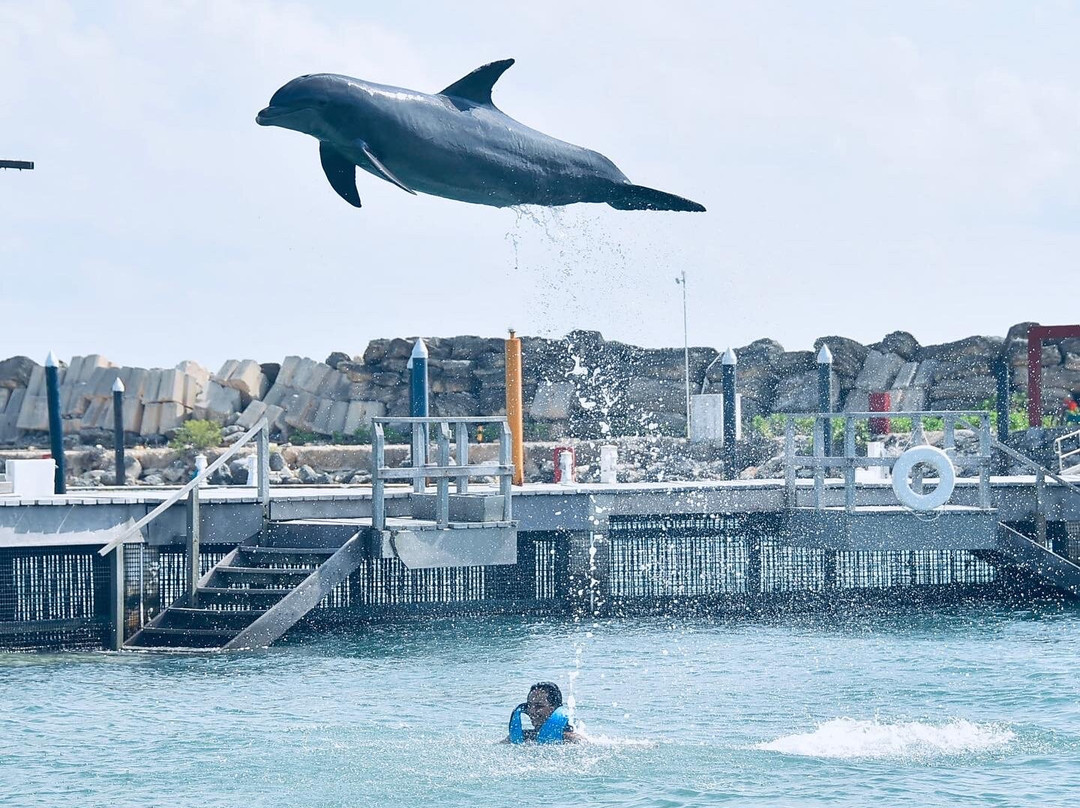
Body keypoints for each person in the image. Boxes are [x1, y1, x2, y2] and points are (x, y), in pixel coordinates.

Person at [505, 682, 583, 744]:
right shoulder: (524, 737)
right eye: (529, 705)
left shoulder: (573, 740)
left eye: (539, 706)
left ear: (554, 709)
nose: (531, 711)